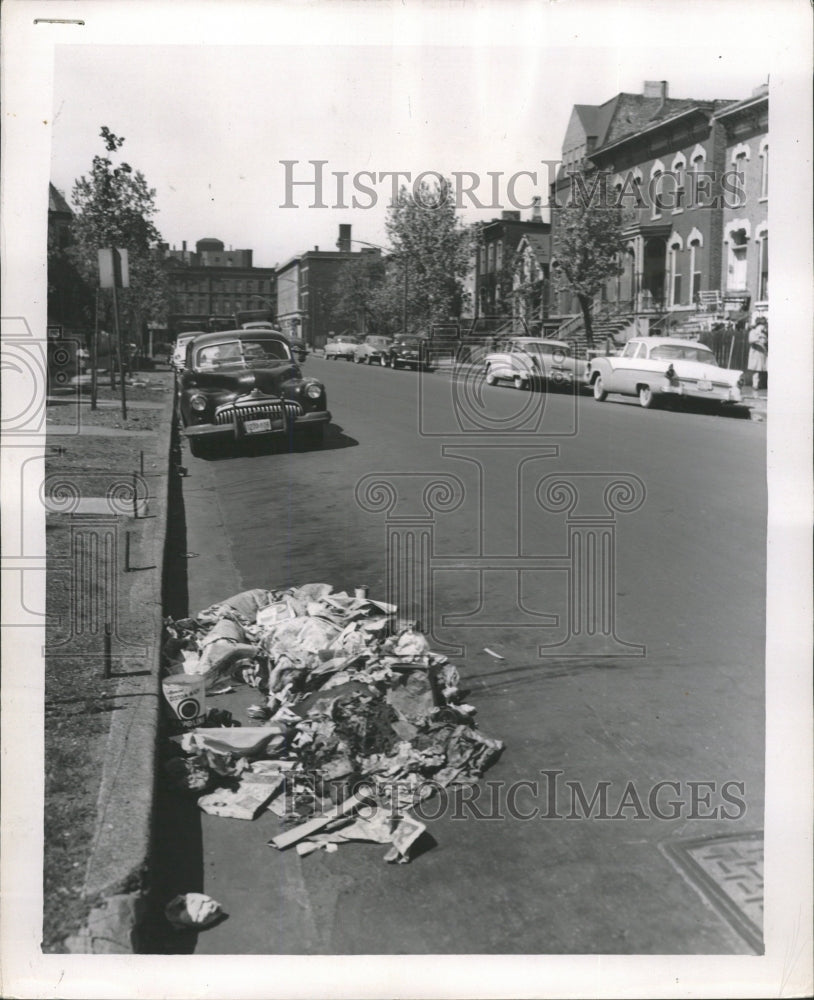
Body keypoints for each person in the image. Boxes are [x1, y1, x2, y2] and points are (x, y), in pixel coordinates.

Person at [747, 316, 768, 391]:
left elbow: (766, 341)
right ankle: (755, 385)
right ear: (758, 325)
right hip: (755, 352)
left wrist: (764, 340)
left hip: (762, 353)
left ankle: (760, 384)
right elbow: (751, 340)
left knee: (762, 370)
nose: (763, 327)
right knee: (756, 369)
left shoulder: (764, 333)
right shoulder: (753, 332)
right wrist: (758, 339)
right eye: (762, 325)